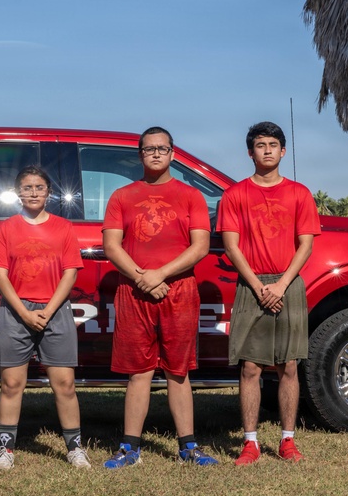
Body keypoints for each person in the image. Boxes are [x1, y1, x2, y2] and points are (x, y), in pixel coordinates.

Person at [101, 126, 217, 468]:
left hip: (178, 289)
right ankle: (130, 448)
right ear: (140, 154)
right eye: (149, 149)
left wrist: (160, 275)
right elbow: (111, 245)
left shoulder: (190, 195)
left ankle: (188, 447)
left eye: (162, 149)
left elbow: (200, 246)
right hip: (134, 289)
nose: (155, 154)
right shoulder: (122, 196)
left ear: (172, 153)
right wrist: (142, 277)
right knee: (138, 372)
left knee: (178, 372)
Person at [217, 121, 321, 465]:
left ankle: (287, 440)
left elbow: (305, 245)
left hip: (287, 284)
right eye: (260, 145)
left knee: (288, 365)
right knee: (250, 367)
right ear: (250, 152)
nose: (266, 150)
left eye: (273, 144)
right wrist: (259, 285)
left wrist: (280, 285)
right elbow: (231, 247)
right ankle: (250, 442)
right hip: (251, 285)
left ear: (283, 151)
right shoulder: (236, 195)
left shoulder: (299, 194)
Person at [0, 165, 90, 470]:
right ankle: (5, 450)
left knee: (65, 384)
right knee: (11, 384)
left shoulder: (63, 227)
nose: (33, 193)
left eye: (39, 187)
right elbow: (0, 273)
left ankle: (75, 448)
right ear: (17, 192)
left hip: (55, 311)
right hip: (15, 312)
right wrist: (23, 311)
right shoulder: (7, 228)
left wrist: (47, 310)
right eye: (27, 187)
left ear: (49, 192)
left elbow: (70, 272)